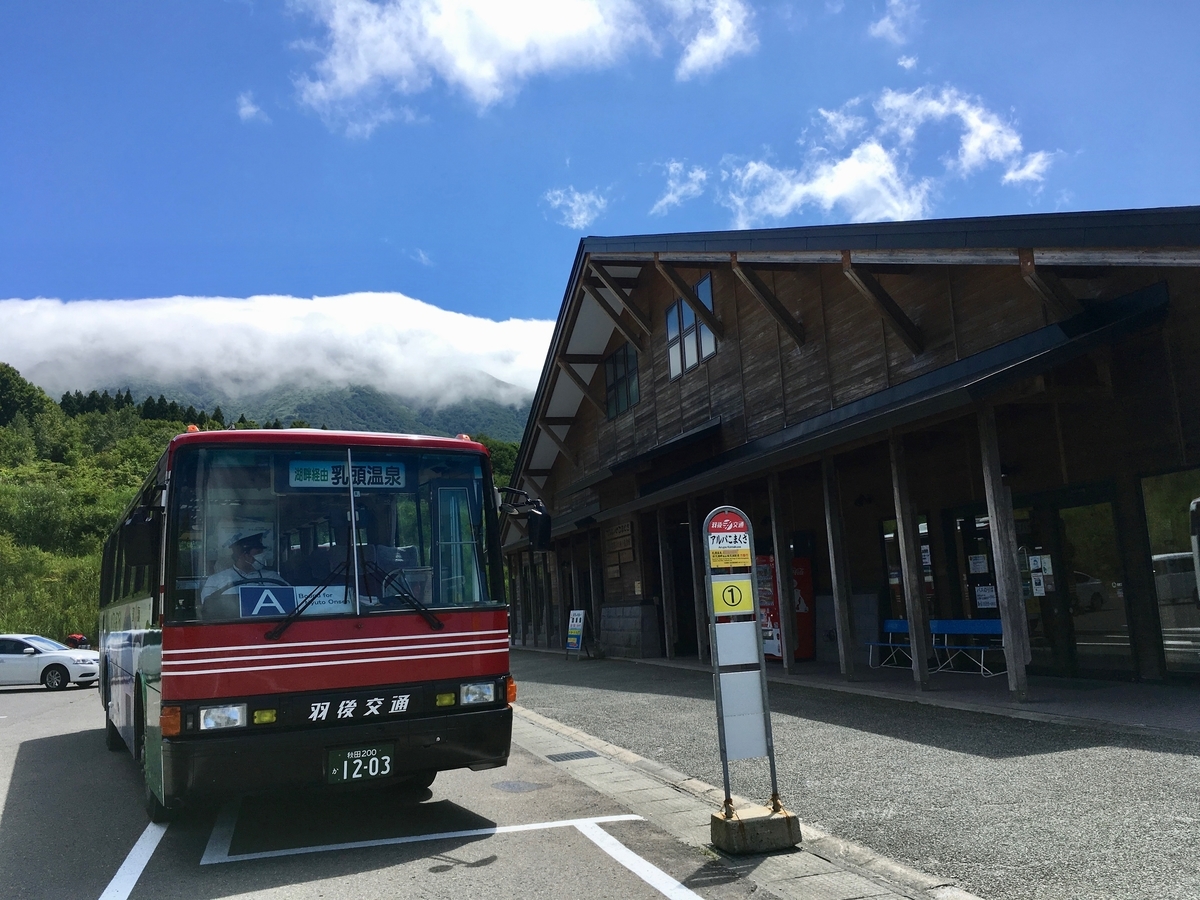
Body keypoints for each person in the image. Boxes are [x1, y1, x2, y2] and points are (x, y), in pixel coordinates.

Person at [200, 532, 285, 614]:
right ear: (244, 556)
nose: (263, 556)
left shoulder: (273, 578)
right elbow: (208, 609)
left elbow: (289, 598)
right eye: (258, 552)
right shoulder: (216, 581)